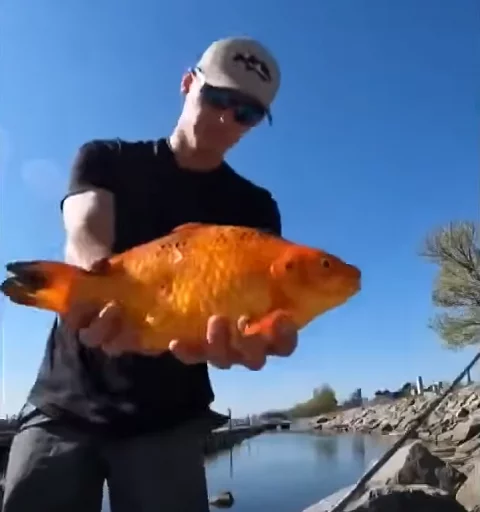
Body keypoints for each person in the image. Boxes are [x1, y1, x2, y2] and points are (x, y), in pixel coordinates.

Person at [2, 36, 298, 512]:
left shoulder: (255, 210)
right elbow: (85, 226)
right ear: (187, 83)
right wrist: (96, 280)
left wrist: (256, 339)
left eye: (247, 113)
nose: (227, 118)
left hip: (168, 423)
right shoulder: (107, 158)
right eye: (219, 98)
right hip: (65, 404)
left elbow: (257, 320)